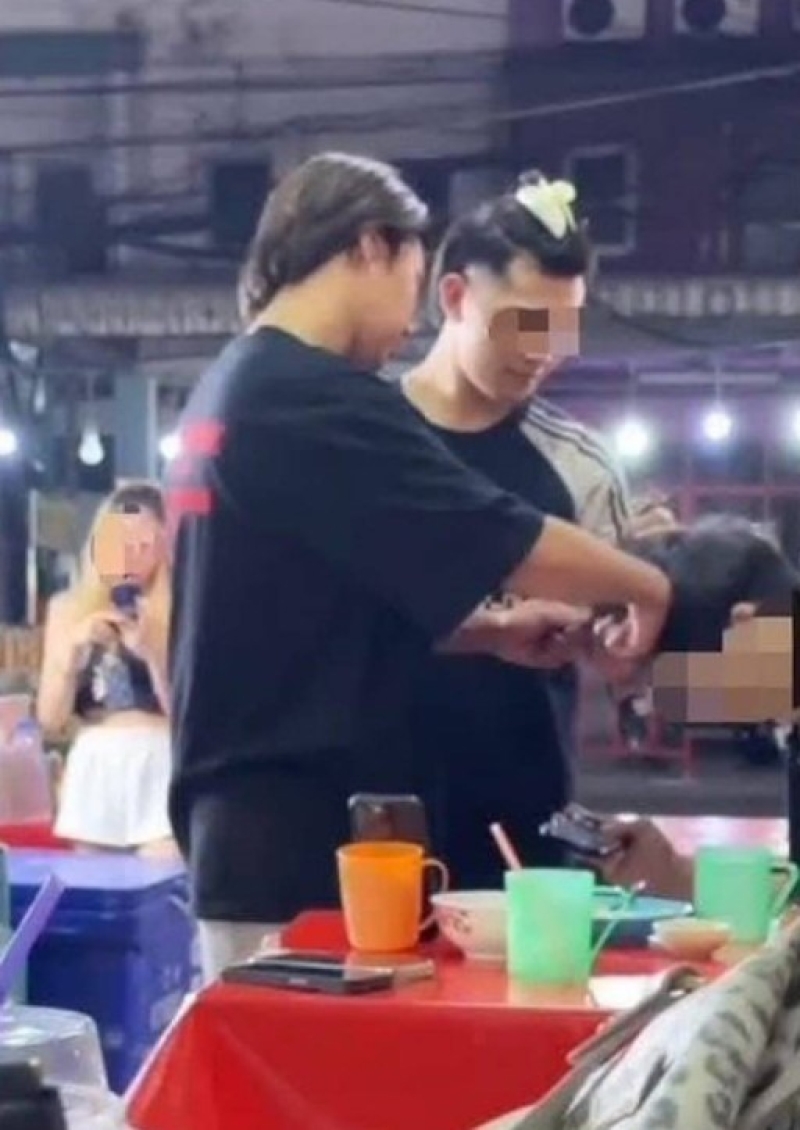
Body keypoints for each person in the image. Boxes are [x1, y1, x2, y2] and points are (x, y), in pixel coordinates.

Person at [166, 151, 686, 982]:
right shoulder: (310, 395)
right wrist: (650, 586)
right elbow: (499, 532)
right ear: (373, 247)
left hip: (271, 835)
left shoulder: (235, 386)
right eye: (412, 282)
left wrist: (489, 632)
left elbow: (318, 616)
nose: (406, 323)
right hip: (293, 846)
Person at [401, 171, 637, 884]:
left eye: (562, 328)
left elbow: (633, 660)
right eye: (525, 322)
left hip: (529, 846)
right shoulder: (365, 445)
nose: (544, 350)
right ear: (454, 297)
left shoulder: (583, 467)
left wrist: (620, 649)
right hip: (374, 832)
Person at [37, 482, 175, 857]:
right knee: (95, 885)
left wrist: (152, 654)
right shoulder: (69, 608)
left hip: (160, 757)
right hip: (96, 764)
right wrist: (72, 654)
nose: (130, 554)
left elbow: (190, 715)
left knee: (162, 874)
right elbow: (50, 719)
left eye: (142, 543)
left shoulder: (181, 609)